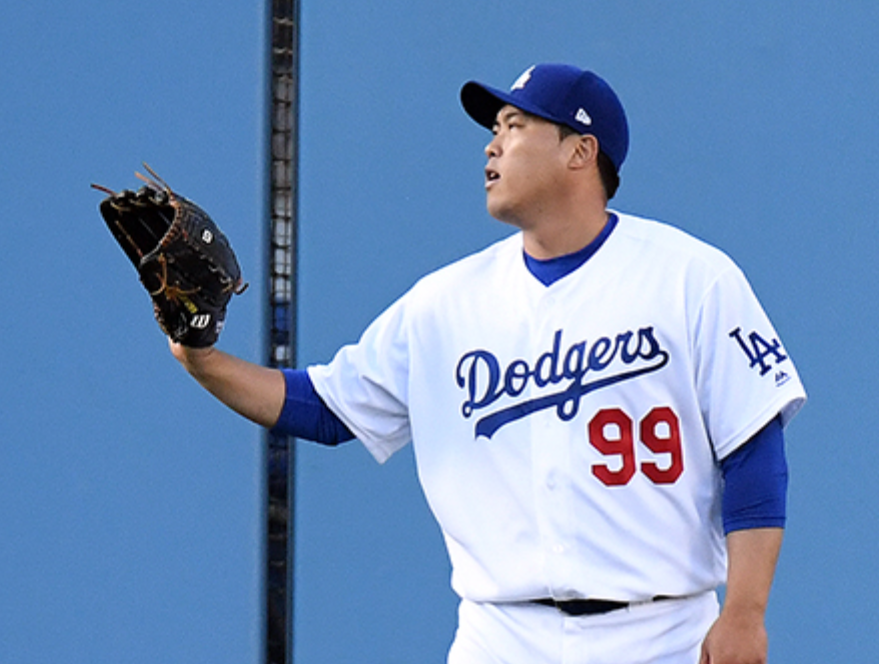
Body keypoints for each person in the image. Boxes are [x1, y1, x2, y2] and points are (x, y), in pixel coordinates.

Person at [171, 63, 806, 663]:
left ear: (580, 151)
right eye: (495, 128)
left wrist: (745, 611)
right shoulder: (444, 302)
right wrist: (203, 360)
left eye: (515, 126)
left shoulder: (691, 277)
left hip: (663, 635)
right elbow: (327, 408)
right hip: (501, 638)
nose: (491, 145)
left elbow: (753, 452)